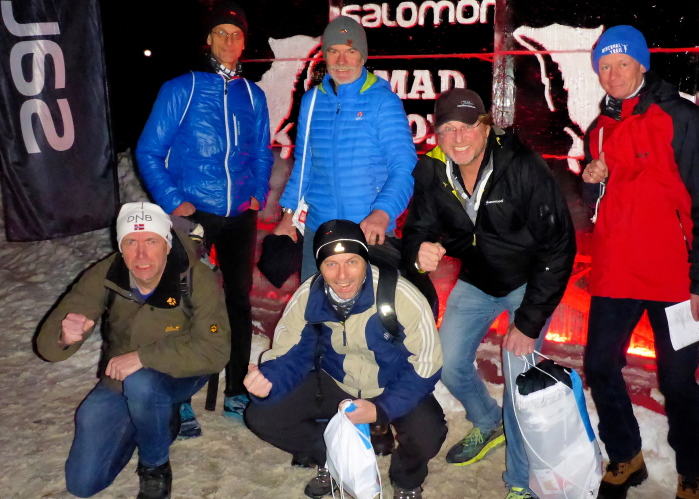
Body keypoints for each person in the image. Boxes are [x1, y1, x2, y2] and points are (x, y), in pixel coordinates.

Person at [401, 88, 576, 499]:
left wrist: (529, 322)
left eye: (467, 127)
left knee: (520, 386)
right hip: (477, 281)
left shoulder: (522, 166)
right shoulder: (432, 170)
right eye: (447, 129)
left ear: (485, 127)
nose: (457, 138)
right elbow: (416, 230)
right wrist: (417, 250)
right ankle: (487, 422)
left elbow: (559, 246)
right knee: (446, 363)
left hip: (528, 283)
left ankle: (521, 482)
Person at [581, 25, 699, 499]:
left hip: (673, 277)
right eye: (605, 66)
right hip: (615, 272)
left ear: (642, 65)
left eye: (622, 63)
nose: (613, 74)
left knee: (677, 380)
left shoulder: (681, 118)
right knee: (599, 365)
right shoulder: (599, 128)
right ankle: (626, 456)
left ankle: (694, 469)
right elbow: (599, 204)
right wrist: (592, 179)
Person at [36, 202, 230, 499]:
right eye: (131, 242)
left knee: (143, 386)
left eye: (151, 241)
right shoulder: (107, 273)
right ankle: (158, 421)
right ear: (120, 247)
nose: (141, 255)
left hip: (183, 369)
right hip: (122, 376)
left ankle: (155, 467)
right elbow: (49, 345)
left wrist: (143, 358)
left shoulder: (195, 277)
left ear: (167, 245)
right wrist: (64, 336)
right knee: (83, 484)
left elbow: (215, 352)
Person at [136, 0, 273, 421]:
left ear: (244, 42)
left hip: (240, 215)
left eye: (237, 34)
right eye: (221, 33)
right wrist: (175, 201)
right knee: (180, 302)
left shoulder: (253, 95)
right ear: (208, 39)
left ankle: (236, 388)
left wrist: (257, 193)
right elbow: (149, 151)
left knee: (238, 302)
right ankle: (176, 396)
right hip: (193, 213)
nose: (229, 41)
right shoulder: (183, 88)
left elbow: (262, 152)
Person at [243, 220, 446, 499]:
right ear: (320, 266)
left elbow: (426, 365)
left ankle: (407, 480)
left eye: (351, 261)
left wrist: (381, 410)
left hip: (392, 383)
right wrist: (269, 380)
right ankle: (333, 461)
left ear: (365, 260)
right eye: (331, 264)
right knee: (262, 416)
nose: (342, 275)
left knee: (428, 433)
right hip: (336, 381)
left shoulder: (400, 295)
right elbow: (291, 352)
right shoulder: (309, 295)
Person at [272, 15, 418, 282]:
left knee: (372, 307)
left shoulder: (383, 101)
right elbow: (304, 165)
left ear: (362, 56)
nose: (342, 61)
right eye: (333, 51)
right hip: (320, 229)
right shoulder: (312, 101)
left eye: (350, 51)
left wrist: (382, 212)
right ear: (324, 56)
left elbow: (404, 167)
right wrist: (288, 214)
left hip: (369, 230)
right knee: (315, 304)